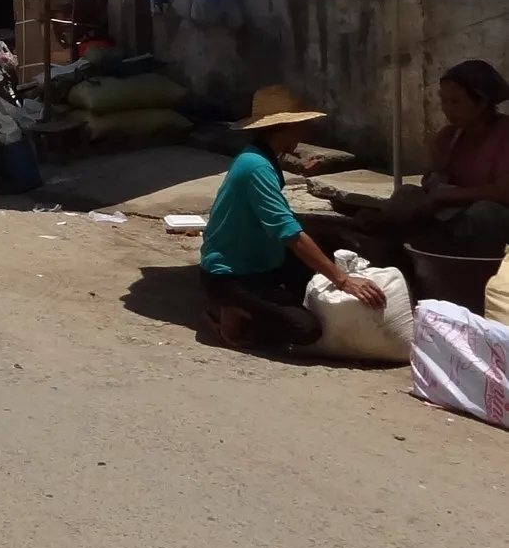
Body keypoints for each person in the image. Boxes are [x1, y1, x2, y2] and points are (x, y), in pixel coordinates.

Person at [201, 85, 386, 348]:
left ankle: (253, 304)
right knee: (304, 329)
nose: (303, 133)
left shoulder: (263, 158)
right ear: (287, 128)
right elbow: (287, 232)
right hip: (232, 275)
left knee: (326, 239)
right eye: (300, 126)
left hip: (260, 261)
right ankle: (233, 311)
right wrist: (343, 280)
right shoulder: (256, 167)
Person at [324, 59, 509, 263]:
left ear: (482, 103)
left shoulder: (504, 134)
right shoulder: (450, 136)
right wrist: (434, 179)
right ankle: (378, 247)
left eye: (456, 102)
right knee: (406, 195)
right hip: (452, 210)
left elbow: (503, 192)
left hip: (491, 220)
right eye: (444, 101)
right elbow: (431, 182)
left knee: (484, 213)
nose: (447, 109)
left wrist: (450, 195)